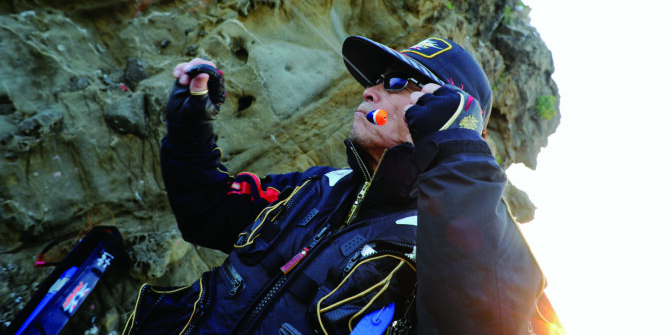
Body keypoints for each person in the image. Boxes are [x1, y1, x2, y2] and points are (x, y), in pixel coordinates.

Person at [123, 36, 546, 335]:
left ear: (450, 110)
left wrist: (460, 151)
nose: (370, 91)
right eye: (376, 78)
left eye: (397, 82)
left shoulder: (457, 246)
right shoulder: (320, 186)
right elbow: (207, 210)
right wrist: (187, 125)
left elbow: (486, 319)